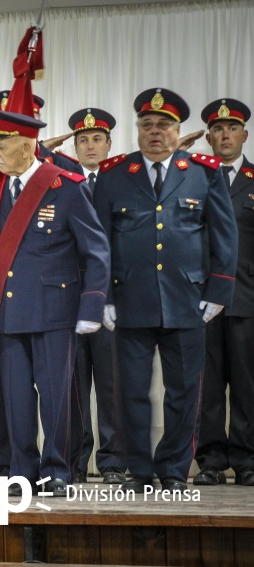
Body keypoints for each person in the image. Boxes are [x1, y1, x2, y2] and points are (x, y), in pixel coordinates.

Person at [93, 88, 238, 493]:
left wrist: (218, 292)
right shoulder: (114, 174)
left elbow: (224, 238)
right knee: (131, 394)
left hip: (188, 301)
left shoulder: (204, 172)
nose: (155, 132)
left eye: (164, 125)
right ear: (138, 129)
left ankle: (174, 470)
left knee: (184, 393)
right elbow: (100, 240)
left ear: (178, 131)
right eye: (147, 125)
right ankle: (139, 471)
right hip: (129, 301)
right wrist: (101, 296)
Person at [0, 108, 110, 497]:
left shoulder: (65, 187)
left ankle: (57, 468)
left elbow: (97, 251)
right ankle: (22, 469)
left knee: (57, 399)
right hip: (8, 312)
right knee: (15, 400)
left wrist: (91, 307)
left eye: (3, 148)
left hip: (55, 312)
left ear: (27, 147)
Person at [194, 98, 254, 487]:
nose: (225, 135)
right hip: (202, 301)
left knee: (249, 385)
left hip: (248, 300)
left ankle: (248, 460)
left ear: (244, 135)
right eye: (218, 129)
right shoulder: (194, 177)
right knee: (208, 386)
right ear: (210, 137)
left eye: (232, 128)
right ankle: (211, 460)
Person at [65, 107, 126, 485]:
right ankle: (74, 461)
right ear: (75, 146)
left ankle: (114, 461)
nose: (90, 145)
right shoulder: (65, 182)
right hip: (70, 300)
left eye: (97, 139)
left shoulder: (122, 182)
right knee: (71, 386)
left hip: (111, 301)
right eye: (83, 140)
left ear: (109, 143)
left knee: (112, 385)